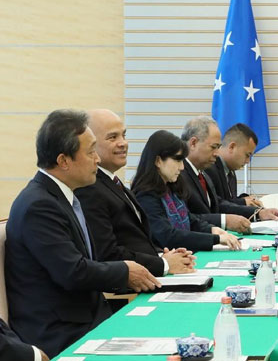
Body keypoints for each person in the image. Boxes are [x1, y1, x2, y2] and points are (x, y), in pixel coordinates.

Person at [4, 110, 159, 357]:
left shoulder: (63, 196)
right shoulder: (38, 205)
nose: (97, 159)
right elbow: (73, 272)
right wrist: (126, 271)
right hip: (60, 333)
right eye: (90, 152)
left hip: (88, 317)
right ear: (64, 160)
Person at [75, 109, 196, 276]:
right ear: (91, 144)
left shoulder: (114, 183)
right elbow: (108, 254)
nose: (123, 143)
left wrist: (164, 255)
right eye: (112, 137)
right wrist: (163, 263)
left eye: (123, 135)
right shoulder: (89, 189)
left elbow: (138, 240)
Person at [132, 130, 241, 252]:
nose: (182, 167)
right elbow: (167, 236)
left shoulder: (171, 186)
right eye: (177, 160)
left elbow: (189, 219)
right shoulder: (145, 195)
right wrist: (215, 239)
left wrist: (211, 229)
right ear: (158, 161)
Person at [179, 117, 278, 231]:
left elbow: (218, 205)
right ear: (193, 143)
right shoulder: (178, 175)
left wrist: (258, 213)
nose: (217, 153)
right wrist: (225, 221)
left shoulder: (202, 173)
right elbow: (185, 219)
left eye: (218, 147)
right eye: (213, 147)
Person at [204, 123, 263, 207]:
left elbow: (228, 200)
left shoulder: (230, 170)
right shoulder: (209, 168)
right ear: (232, 147)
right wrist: (242, 202)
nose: (248, 161)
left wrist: (245, 199)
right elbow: (216, 206)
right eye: (247, 155)